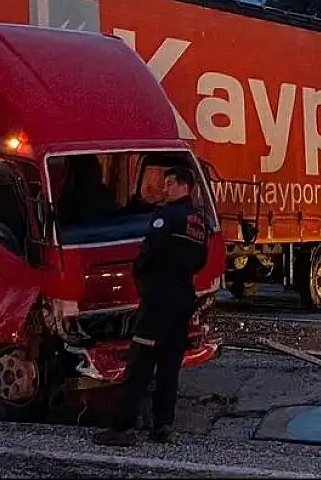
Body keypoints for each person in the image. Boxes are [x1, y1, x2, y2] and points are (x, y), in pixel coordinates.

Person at [93, 165, 209, 446]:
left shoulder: (167, 217)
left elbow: (149, 253)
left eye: (169, 183)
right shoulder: (198, 221)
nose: (164, 189)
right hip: (183, 298)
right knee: (169, 366)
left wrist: (142, 275)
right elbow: (200, 260)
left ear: (183, 185)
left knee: (141, 364)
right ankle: (163, 426)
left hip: (158, 301)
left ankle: (122, 428)